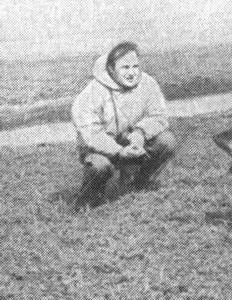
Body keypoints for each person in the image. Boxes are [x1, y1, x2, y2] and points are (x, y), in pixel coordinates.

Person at [71, 41, 177, 207]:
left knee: (167, 141)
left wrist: (140, 134)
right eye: (125, 68)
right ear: (112, 69)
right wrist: (119, 151)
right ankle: (88, 201)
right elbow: (91, 134)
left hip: (133, 143)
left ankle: (139, 183)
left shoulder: (148, 83)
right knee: (99, 166)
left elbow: (159, 115)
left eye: (135, 66)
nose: (132, 73)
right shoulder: (92, 93)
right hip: (102, 149)